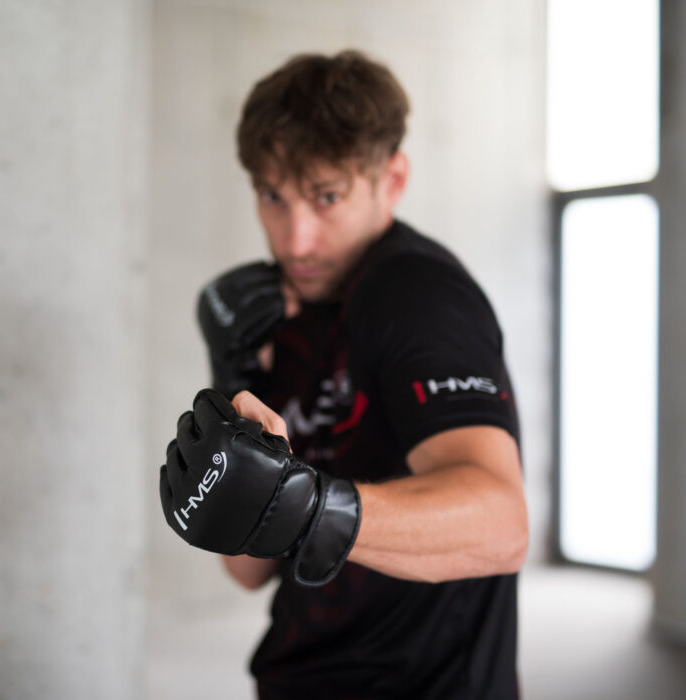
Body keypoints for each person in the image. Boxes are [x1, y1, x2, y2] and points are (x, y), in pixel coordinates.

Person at [160, 50, 528, 699]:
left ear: (392, 180)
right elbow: (247, 572)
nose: (296, 240)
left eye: (326, 197)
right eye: (273, 196)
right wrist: (234, 382)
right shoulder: (283, 315)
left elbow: (502, 527)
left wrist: (314, 508)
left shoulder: (416, 296)